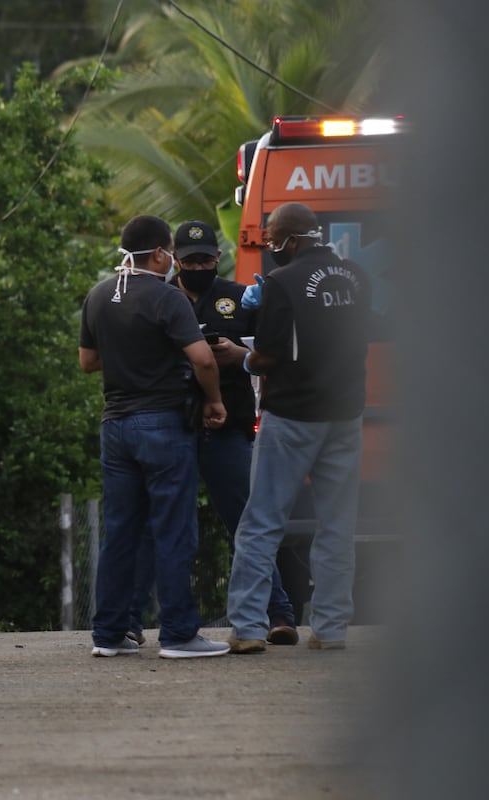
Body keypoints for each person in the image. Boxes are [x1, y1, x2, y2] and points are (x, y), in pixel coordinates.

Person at [126, 221, 299, 646]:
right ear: (174, 260)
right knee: (154, 523)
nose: (199, 266)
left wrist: (241, 354)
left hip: (230, 427)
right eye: (190, 260)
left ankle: (278, 613)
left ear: (216, 258)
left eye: (206, 259)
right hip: (174, 426)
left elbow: (276, 349)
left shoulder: (240, 297)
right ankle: (129, 618)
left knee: (246, 522)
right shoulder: (159, 298)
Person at [79, 214, 231, 659]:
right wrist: (215, 401)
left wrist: (129, 355)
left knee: (121, 530)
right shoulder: (167, 297)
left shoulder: (99, 295)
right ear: (161, 253)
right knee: (173, 529)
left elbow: (88, 362)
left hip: (115, 426)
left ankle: (108, 634)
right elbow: (203, 359)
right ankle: (180, 634)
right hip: (162, 423)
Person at [226, 202, 369, 653]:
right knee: (337, 526)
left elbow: (268, 355)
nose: (270, 245)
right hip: (346, 414)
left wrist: (238, 357)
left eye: (272, 238)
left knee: (261, 523)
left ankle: (248, 628)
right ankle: (330, 630)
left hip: (292, 417)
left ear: (289, 238)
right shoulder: (357, 278)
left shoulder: (282, 283)